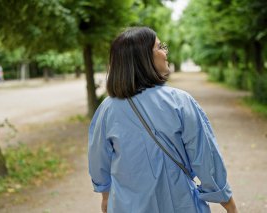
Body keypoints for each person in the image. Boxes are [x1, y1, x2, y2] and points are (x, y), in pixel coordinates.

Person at [88, 27, 238, 213]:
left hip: (126, 206)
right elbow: (205, 157)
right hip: (179, 203)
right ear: (143, 58)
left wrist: (106, 197)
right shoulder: (179, 101)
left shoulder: (107, 109)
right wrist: (227, 202)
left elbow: (98, 161)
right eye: (159, 47)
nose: (165, 52)